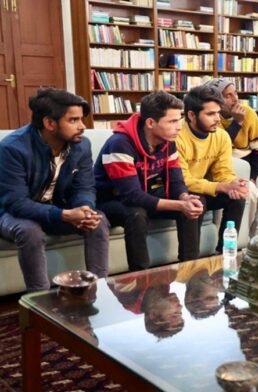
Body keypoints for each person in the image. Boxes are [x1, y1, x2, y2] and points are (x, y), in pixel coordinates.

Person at [0, 88, 109, 291]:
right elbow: (16, 203)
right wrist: (64, 215)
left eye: (81, 119)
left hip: (57, 209)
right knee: (29, 231)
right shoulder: (13, 148)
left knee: (97, 220)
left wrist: (85, 208)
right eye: (73, 120)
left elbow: (84, 186)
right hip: (11, 213)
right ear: (50, 123)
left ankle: (100, 290)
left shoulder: (81, 146)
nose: (82, 127)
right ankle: (40, 300)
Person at [94, 91, 204, 271]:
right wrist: (178, 205)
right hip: (110, 200)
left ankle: (188, 268)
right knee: (136, 214)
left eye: (179, 120)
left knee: (195, 202)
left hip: (146, 194)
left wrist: (184, 198)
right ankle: (141, 277)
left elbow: (176, 181)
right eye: (172, 121)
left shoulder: (168, 140)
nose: (179, 127)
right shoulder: (120, 144)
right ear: (151, 123)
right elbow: (132, 197)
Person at [176, 85, 248, 254]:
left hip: (204, 187)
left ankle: (224, 254)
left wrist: (233, 183)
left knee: (237, 197)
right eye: (210, 114)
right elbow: (182, 179)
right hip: (179, 190)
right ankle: (189, 263)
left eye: (218, 112)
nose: (217, 119)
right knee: (197, 201)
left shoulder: (221, 135)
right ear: (191, 115)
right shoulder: (176, 135)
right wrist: (221, 187)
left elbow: (222, 171)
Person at [204, 78, 258, 235]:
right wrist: (237, 123)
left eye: (235, 93)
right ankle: (244, 238)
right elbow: (219, 147)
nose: (235, 98)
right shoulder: (211, 117)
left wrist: (252, 176)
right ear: (215, 100)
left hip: (256, 164)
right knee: (249, 193)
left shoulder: (248, 112)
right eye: (227, 96)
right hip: (229, 167)